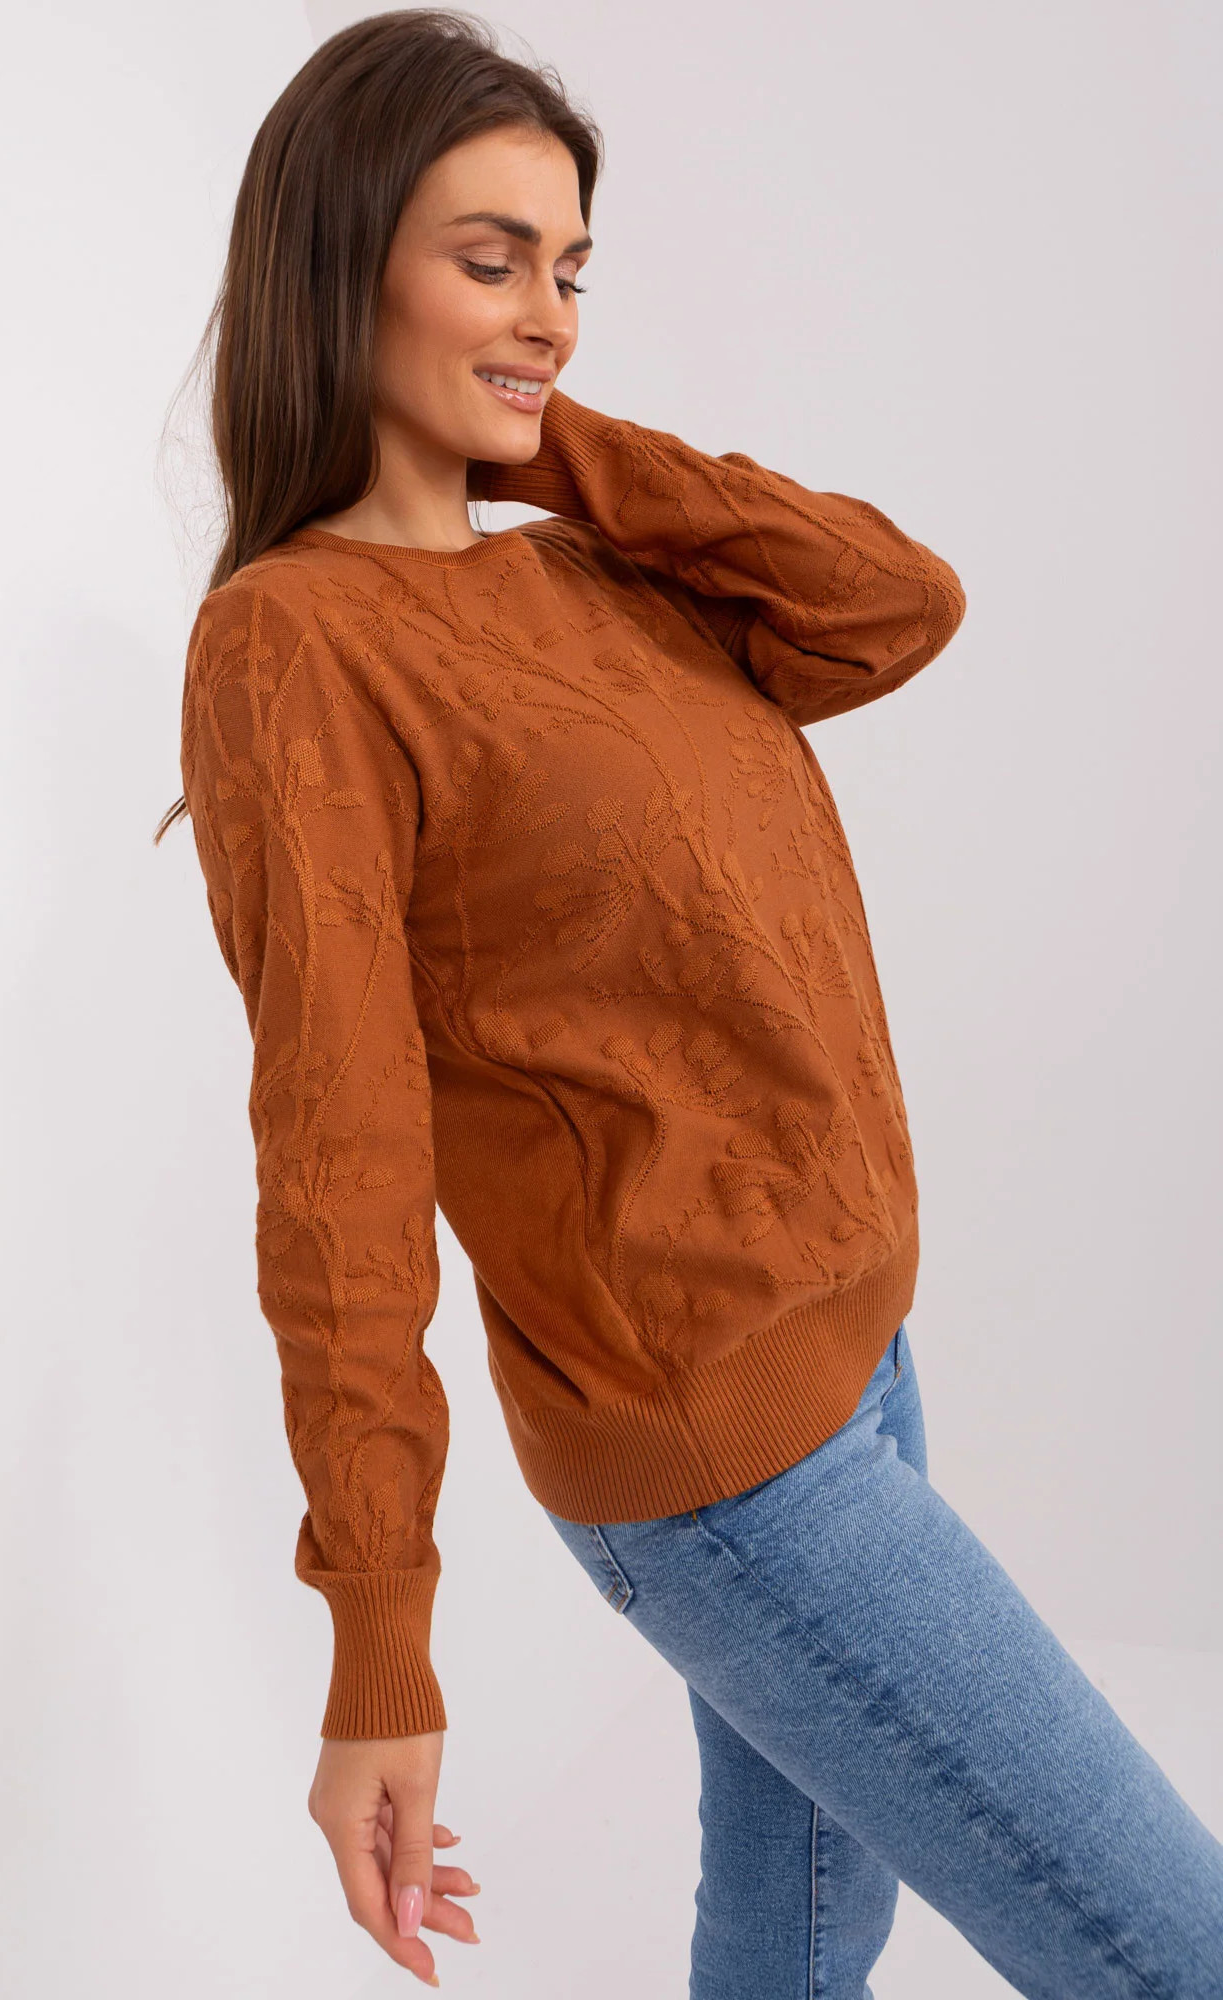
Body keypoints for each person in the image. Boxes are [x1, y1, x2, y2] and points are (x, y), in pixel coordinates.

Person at [157, 10, 1223, 1995]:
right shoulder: (294, 647)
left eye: (570, 271)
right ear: (339, 260)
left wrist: (544, 435)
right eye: (492, 261)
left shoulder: (597, 569)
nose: (549, 315)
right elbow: (341, 1170)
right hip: (730, 1466)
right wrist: (380, 1646)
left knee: (804, 1927)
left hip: (860, 1351)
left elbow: (893, 606)